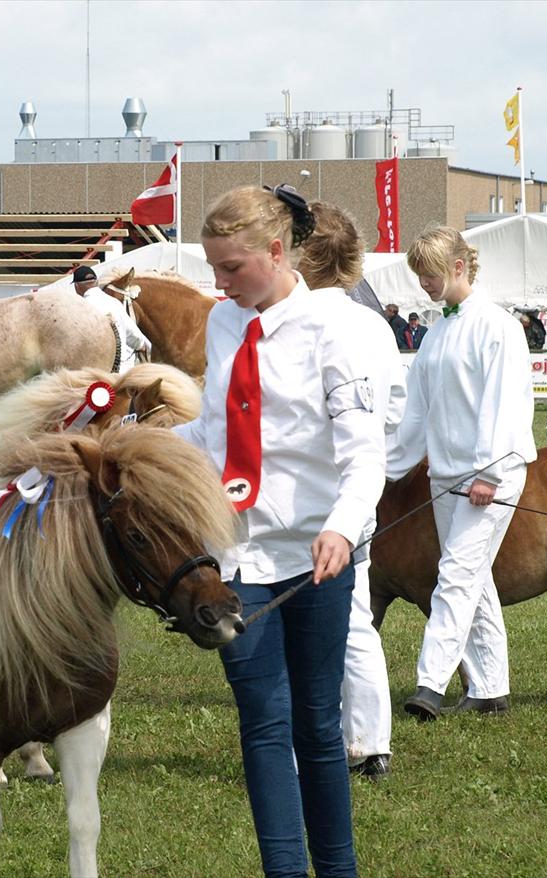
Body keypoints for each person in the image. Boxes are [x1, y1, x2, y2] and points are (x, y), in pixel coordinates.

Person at [175, 185, 386, 877]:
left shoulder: (338, 329)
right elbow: (214, 430)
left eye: (232, 267)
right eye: (213, 267)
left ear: (275, 251)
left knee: (318, 726)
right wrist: (138, 441)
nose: (219, 282)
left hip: (318, 557)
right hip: (237, 556)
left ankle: (340, 869)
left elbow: (364, 454)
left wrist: (343, 530)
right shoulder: (223, 323)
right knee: (264, 726)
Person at [387, 226, 536, 722]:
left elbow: (507, 404)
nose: (424, 284)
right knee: (474, 581)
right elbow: (417, 412)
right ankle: (490, 689)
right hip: (445, 477)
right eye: (419, 276)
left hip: (491, 478)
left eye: (429, 274)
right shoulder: (436, 331)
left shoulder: (499, 326)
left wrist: (490, 474)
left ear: (457, 268)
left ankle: (430, 684)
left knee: (454, 576)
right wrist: (387, 467)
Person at [297, 200, 406, 782]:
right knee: (356, 618)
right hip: (359, 493)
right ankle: (371, 743)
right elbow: (397, 409)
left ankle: (301, 746)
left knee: (293, 628)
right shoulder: (375, 325)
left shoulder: (294, 320)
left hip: (303, 495)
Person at [72, 265, 152, 372]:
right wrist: (143, 345)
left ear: (76, 286)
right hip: (121, 372)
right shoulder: (115, 303)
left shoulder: (79, 308)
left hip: (94, 373)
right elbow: (133, 335)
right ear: (96, 283)